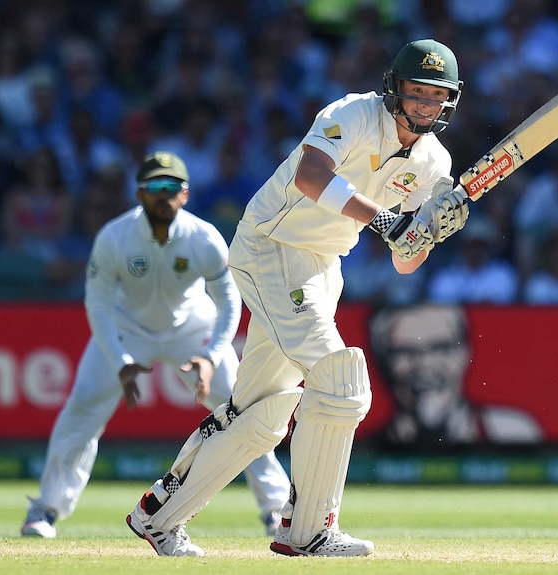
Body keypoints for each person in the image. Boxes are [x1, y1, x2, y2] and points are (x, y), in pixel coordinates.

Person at [125, 38, 471, 558]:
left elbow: (405, 258)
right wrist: (385, 220)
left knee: (262, 413)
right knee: (341, 379)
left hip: (322, 269)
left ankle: (158, 516)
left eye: (435, 96)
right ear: (394, 88)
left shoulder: (433, 161)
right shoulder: (353, 113)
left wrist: (429, 232)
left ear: (449, 102)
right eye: (416, 92)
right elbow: (313, 177)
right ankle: (308, 530)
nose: (424, 104)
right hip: (272, 247)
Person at [21, 151, 290, 539]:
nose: (163, 196)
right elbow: (97, 303)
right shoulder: (115, 237)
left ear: (185, 194)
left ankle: (276, 509)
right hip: (127, 328)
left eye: (171, 187)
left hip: (192, 330)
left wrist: (212, 356)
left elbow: (230, 301)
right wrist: (120, 360)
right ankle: (46, 508)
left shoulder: (203, 237)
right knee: (81, 412)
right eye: (154, 188)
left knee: (242, 413)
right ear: (139, 194)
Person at [369, 303, 543, 449]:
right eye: (406, 352)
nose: (425, 364)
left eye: (441, 348)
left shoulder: (512, 431)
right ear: (382, 361)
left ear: (465, 354)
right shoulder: (365, 445)